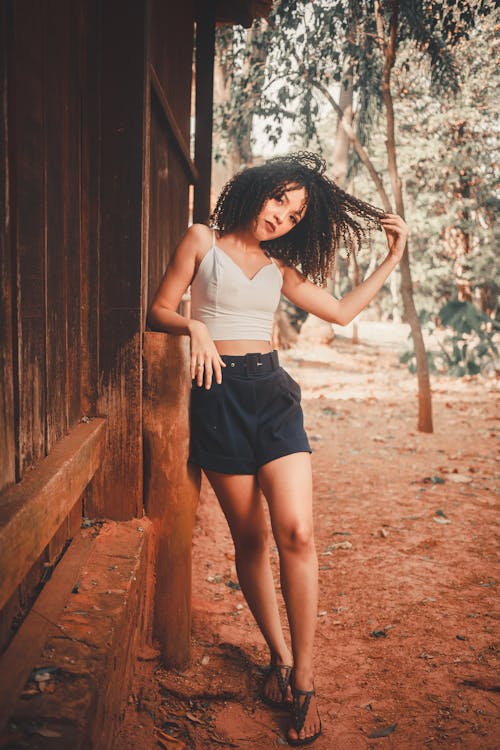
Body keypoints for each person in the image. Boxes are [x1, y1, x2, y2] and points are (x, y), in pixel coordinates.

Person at [147, 152, 408, 746]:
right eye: (279, 202)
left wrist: (392, 259)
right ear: (257, 189)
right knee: (252, 539)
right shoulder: (200, 240)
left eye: (294, 216)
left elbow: (340, 312)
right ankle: (280, 658)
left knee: (297, 533)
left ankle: (306, 678)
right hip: (217, 400)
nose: (281, 218)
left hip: (273, 398)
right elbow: (158, 310)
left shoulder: (278, 269)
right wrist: (196, 327)